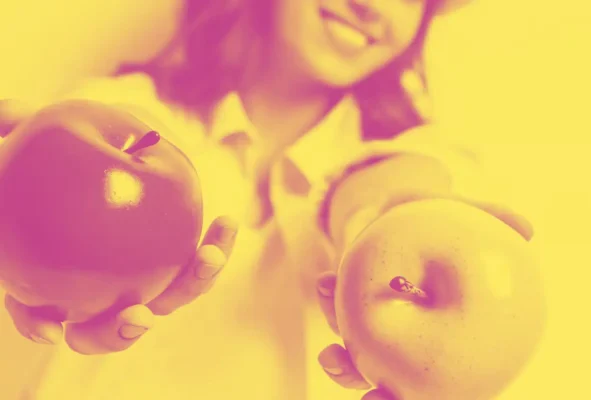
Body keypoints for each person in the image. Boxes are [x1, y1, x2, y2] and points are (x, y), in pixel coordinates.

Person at [0, 0, 533, 399]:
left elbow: (380, 191)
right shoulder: (115, 108)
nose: (371, 6)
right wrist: (33, 214)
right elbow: (128, 129)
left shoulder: (423, 156)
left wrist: (387, 225)